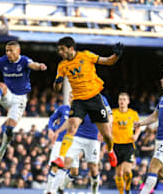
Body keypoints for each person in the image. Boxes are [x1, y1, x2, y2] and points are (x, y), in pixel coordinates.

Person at [53, 36, 123, 168]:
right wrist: (57, 83)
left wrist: (116, 55)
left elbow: (108, 61)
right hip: (78, 100)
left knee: (107, 135)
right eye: (59, 50)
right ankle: (60, 157)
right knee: (72, 126)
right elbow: (56, 88)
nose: (60, 52)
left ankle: (110, 150)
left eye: (62, 49)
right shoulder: (62, 66)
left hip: (94, 98)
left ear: (71, 48)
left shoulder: (86, 56)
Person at [58, 95, 112, 194]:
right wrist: (58, 131)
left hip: (93, 139)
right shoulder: (79, 96)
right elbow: (72, 119)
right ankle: (59, 187)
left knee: (93, 168)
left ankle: (94, 190)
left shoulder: (102, 99)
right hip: (77, 137)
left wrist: (105, 130)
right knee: (67, 163)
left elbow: (110, 116)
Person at [112, 92, 141, 194]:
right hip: (115, 145)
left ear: (128, 101)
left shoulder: (133, 114)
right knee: (119, 173)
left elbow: (138, 127)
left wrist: (136, 135)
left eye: (124, 99)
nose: (122, 101)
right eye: (120, 99)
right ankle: (121, 192)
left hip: (128, 145)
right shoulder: (113, 113)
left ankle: (127, 189)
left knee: (127, 171)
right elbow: (107, 125)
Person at [45, 95, 71, 194]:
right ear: (69, 98)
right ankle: (49, 190)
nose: (72, 98)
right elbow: (51, 119)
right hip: (60, 141)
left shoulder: (81, 111)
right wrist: (50, 129)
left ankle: (55, 190)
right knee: (55, 165)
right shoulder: (63, 108)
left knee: (65, 168)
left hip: (73, 143)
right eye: (71, 96)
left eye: (74, 96)